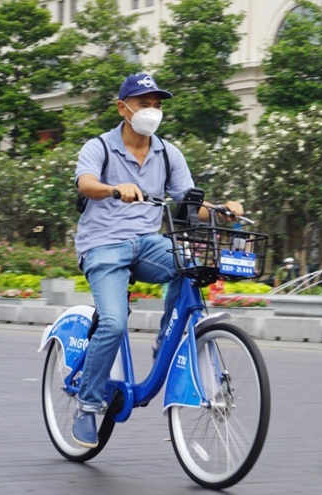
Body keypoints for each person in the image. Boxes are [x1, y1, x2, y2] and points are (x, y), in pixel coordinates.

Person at [72, 73, 244, 448]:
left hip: (147, 243)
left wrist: (223, 210)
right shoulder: (99, 147)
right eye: (144, 103)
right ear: (123, 107)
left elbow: (190, 205)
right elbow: (85, 183)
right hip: (103, 245)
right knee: (115, 323)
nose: (152, 110)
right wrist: (114, 188)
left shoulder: (168, 153)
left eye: (157, 104)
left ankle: (166, 335)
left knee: (190, 266)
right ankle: (87, 404)